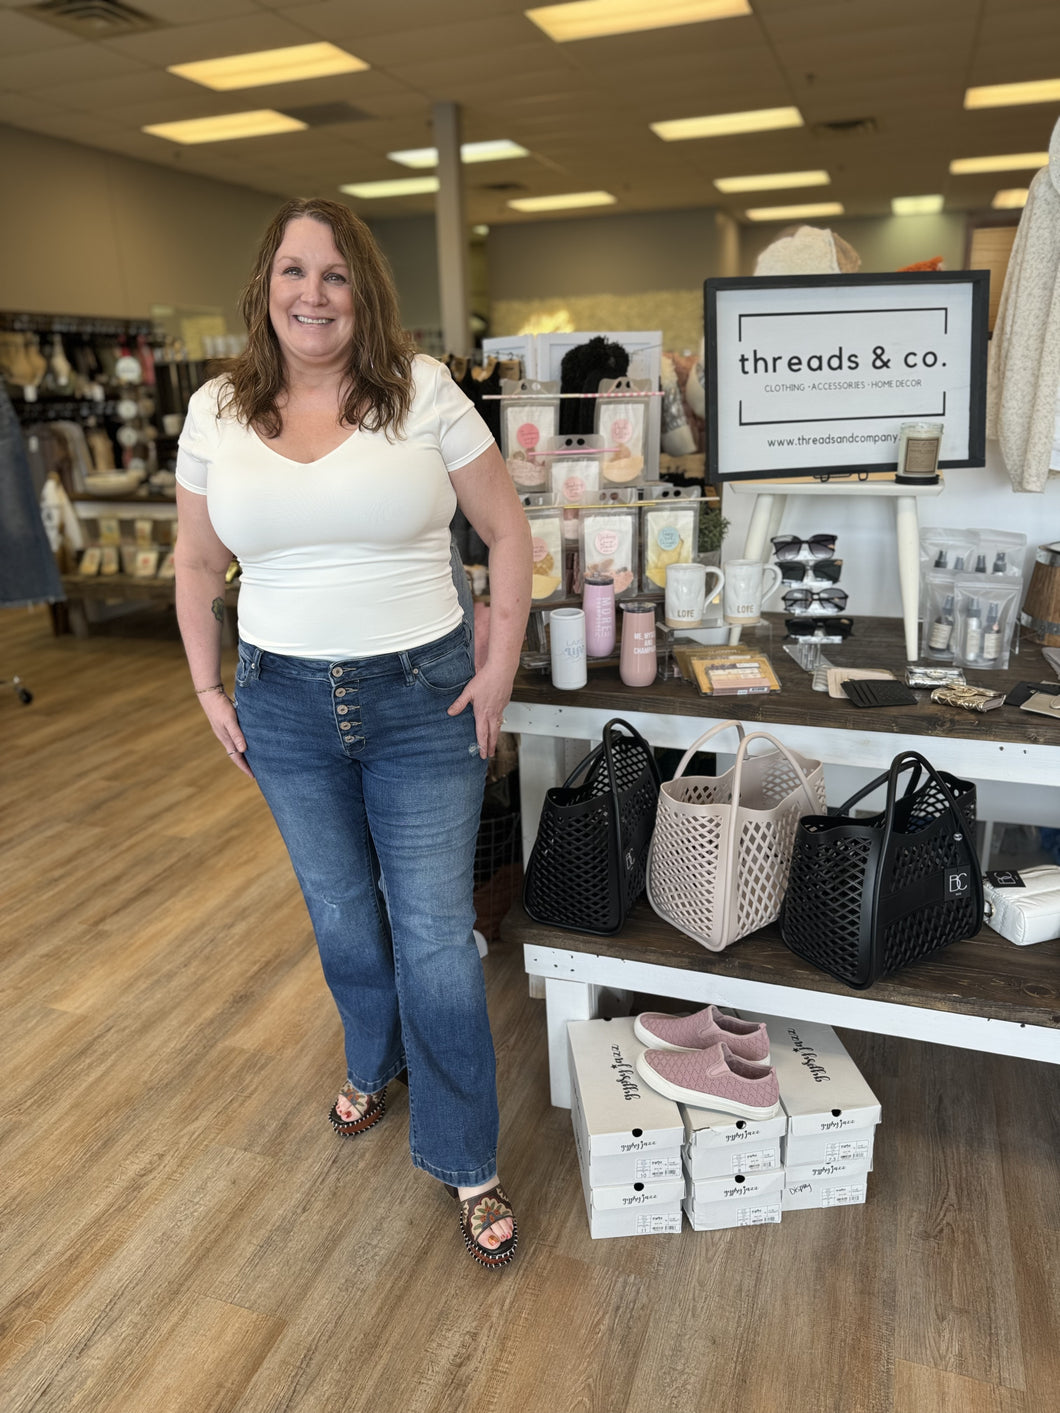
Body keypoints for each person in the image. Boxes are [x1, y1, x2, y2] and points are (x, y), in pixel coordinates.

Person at [174, 197, 532, 1269]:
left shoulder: (420, 394)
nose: (312, 294)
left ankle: (467, 1157)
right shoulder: (215, 412)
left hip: (423, 696)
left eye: (333, 275)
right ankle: (372, 1061)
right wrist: (206, 687)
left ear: (363, 290)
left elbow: (507, 532)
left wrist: (499, 663)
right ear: (265, 287)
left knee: (430, 932)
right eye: (293, 271)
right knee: (338, 913)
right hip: (280, 700)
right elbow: (197, 564)